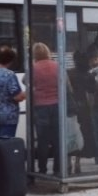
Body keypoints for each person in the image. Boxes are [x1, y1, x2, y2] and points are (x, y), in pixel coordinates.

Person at [67, 48, 98, 173]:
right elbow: (93, 93)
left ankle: (68, 162)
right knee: (81, 135)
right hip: (84, 109)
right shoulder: (89, 75)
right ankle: (77, 162)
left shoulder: (68, 73)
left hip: (69, 108)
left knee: (69, 134)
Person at [30, 42, 61, 176]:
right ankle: (58, 168)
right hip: (57, 105)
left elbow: (27, 81)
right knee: (57, 140)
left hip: (40, 106)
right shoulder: (57, 66)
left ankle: (42, 169)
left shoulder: (33, 67)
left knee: (42, 140)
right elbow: (64, 82)